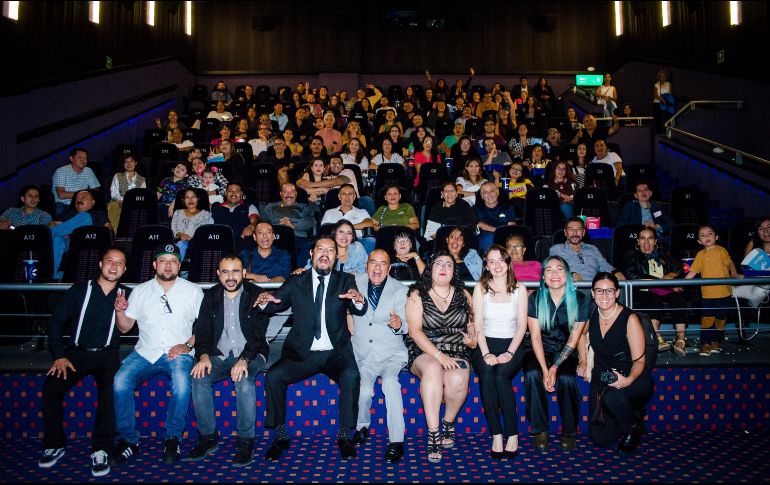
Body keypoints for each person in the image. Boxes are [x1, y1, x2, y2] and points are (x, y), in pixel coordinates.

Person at [255, 237, 368, 460]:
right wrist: (264, 300)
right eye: (320, 249)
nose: (325, 254)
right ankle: (280, 435)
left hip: (336, 353)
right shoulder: (297, 280)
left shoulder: (345, 280)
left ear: (336, 257)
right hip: (302, 353)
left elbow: (359, 308)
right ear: (311, 254)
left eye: (331, 251)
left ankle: (345, 435)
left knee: (352, 375)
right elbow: (275, 302)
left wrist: (357, 299)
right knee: (274, 377)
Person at [38, 249, 129, 477]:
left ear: (125, 269)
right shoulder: (80, 289)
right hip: (76, 354)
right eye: (110, 261)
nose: (114, 266)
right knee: (51, 388)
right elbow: (57, 322)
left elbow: (130, 326)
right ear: (100, 264)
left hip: (108, 355)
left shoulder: (126, 294)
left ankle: (101, 449)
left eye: (120, 263)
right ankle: (54, 444)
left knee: (111, 390)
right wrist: (59, 355)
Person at [112, 244, 204, 464]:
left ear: (179, 265)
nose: (168, 265)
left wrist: (188, 346)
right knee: (119, 381)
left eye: (173, 261)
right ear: (154, 264)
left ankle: (172, 438)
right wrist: (119, 311)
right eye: (163, 260)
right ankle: (128, 440)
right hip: (145, 351)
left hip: (178, 351)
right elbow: (125, 328)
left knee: (182, 384)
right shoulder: (140, 291)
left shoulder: (193, 290)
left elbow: (206, 328)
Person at [187, 255, 269, 467]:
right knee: (198, 377)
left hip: (252, 352)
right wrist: (203, 355)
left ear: (243, 273)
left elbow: (258, 336)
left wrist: (244, 359)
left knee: (243, 380)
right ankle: (208, 436)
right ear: (218, 274)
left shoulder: (256, 294)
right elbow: (202, 331)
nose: (230, 276)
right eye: (225, 271)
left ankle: (245, 441)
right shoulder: (211, 296)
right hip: (220, 353)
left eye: (235, 271)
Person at [404, 251, 477, 462]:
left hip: (456, 348)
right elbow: (415, 331)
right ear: (430, 268)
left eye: (449, 265)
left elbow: (472, 326)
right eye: (439, 264)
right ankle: (433, 433)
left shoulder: (464, 294)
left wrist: (472, 339)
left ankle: (448, 422)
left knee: (458, 378)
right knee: (434, 368)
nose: (444, 268)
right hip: (424, 349)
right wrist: (439, 355)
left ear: (454, 271)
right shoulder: (417, 293)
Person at [524, 256, 590, 451]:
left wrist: (555, 368)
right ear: (543, 277)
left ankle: (569, 431)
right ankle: (540, 429)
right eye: (549, 270)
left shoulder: (580, 299)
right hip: (537, 349)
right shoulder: (535, 298)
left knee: (567, 379)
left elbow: (574, 339)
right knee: (533, 374)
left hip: (565, 349)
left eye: (559, 269)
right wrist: (546, 369)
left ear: (567, 275)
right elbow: (535, 337)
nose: (554, 274)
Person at [350, 250, 409, 463]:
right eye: (373, 262)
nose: (377, 267)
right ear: (366, 265)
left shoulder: (400, 289)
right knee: (364, 391)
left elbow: (407, 322)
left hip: (391, 353)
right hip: (364, 353)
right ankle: (362, 427)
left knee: (391, 384)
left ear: (389, 267)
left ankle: (396, 442)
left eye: (382, 263)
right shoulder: (354, 281)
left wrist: (399, 324)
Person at [584, 272, 654, 452]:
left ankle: (632, 426)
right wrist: (584, 362)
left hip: (633, 377)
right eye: (599, 291)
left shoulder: (630, 319)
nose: (604, 295)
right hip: (603, 378)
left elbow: (640, 361)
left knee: (613, 397)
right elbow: (580, 336)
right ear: (592, 293)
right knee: (601, 439)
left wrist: (627, 380)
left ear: (617, 293)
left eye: (609, 291)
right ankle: (627, 414)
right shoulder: (591, 313)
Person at [471, 245, 528, 459]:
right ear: (486, 265)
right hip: (485, 343)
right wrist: (486, 353)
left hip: (512, 344)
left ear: (508, 263)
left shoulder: (519, 289)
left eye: (500, 260)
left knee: (502, 375)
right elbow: (478, 326)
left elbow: (522, 326)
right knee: (487, 375)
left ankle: (512, 434)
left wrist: (510, 353)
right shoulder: (480, 288)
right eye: (491, 261)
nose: (496, 265)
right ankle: (496, 433)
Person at [623, 227, 688, 356]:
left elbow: (680, 268)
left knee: (678, 298)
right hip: (645, 290)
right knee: (653, 299)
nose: (646, 243)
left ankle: (680, 339)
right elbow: (631, 274)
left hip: (666, 289)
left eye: (650, 238)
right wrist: (663, 282)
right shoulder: (632, 255)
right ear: (638, 241)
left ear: (656, 241)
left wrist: (672, 275)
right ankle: (657, 337)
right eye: (643, 238)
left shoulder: (663, 255)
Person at [685, 224, 740, 356]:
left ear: (716, 237)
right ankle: (705, 343)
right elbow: (692, 272)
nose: (707, 237)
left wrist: (734, 273)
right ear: (699, 241)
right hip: (708, 295)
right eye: (703, 236)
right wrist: (682, 284)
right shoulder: (700, 255)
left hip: (724, 293)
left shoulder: (722, 251)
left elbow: (730, 263)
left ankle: (716, 341)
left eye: (710, 234)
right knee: (707, 319)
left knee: (721, 319)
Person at [50, 190, 111, 281]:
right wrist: (64, 232)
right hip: (71, 242)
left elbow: (108, 230)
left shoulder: (98, 213)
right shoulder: (69, 213)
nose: (79, 200)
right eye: (77, 199)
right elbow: (53, 224)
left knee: (85, 216)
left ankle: (44, 235)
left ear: (92, 202)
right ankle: (53, 276)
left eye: (83, 198)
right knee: (58, 239)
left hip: (90, 241)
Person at [550, 217, 626, 282]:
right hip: (571, 288)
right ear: (565, 232)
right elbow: (555, 270)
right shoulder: (557, 249)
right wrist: (571, 274)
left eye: (578, 229)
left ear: (583, 232)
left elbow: (605, 266)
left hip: (595, 289)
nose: (575, 233)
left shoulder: (592, 249)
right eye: (571, 229)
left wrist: (615, 272)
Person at [261, 182, 318, 267]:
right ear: (281, 194)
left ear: (296, 194)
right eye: (285, 192)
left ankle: (299, 273)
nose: (289, 194)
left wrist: (292, 225)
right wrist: (279, 224)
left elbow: (311, 222)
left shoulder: (304, 207)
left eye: (292, 192)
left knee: (308, 245)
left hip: (298, 238)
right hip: (276, 237)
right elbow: (263, 223)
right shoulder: (270, 207)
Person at [320, 184, 376, 252]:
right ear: (339, 197)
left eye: (350, 194)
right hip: (335, 242)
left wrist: (349, 227)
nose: (347, 197)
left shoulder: (361, 212)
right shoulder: (329, 212)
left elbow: (370, 223)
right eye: (344, 194)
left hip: (356, 242)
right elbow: (324, 231)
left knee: (370, 241)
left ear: (354, 196)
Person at [210, 183, 260, 253]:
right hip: (220, 242)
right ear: (226, 193)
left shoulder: (249, 206)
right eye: (230, 191)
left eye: (237, 191)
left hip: (242, 242)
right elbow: (209, 225)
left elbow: (255, 219)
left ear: (241, 194)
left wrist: (251, 226)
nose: (234, 194)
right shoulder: (216, 208)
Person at [52, 147, 101, 217]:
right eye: (80, 157)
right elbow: (61, 195)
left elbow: (95, 190)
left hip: (82, 203)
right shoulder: (61, 171)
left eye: (85, 158)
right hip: (63, 204)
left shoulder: (88, 171)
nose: (83, 160)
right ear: (71, 159)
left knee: (98, 211)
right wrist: (82, 196)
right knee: (60, 210)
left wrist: (86, 199)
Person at [734, 216, 770, 308]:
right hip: (755, 283)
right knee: (729, 291)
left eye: (769, 227)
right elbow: (745, 267)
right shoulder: (753, 244)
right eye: (761, 229)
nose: (766, 231)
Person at [106, 154, 147, 230]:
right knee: (114, 206)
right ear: (123, 164)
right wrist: (123, 201)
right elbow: (114, 193)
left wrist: (130, 202)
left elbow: (142, 195)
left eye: (131, 161)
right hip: (118, 202)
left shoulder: (142, 179)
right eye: (126, 162)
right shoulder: (117, 176)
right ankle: (116, 234)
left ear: (135, 163)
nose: (129, 164)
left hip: (135, 203)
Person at [171, 188, 213, 260]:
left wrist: (194, 237)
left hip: (198, 243)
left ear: (198, 199)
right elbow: (173, 229)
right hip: (180, 241)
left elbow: (207, 231)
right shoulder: (178, 213)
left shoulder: (206, 214)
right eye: (187, 197)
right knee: (180, 244)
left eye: (193, 197)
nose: (190, 200)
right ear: (183, 201)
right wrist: (181, 235)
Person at [475, 182, 517, 253]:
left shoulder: (508, 208)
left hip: (504, 237)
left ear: (497, 192)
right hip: (485, 239)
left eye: (492, 191)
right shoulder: (476, 209)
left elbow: (511, 226)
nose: (489, 195)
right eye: (485, 192)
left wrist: (503, 234)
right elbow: (478, 223)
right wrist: (497, 230)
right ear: (482, 196)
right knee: (489, 237)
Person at [653, 69, 674, 134]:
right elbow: (655, 95)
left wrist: (667, 100)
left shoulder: (668, 84)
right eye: (662, 76)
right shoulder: (656, 84)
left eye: (664, 76)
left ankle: (668, 133)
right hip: (657, 103)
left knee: (667, 118)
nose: (663, 77)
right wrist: (662, 99)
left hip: (666, 103)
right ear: (659, 77)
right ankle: (658, 133)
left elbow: (670, 93)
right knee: (658, 119)